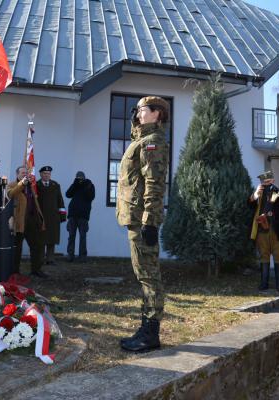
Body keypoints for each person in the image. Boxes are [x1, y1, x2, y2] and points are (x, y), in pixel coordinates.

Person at [116, 96, 170, 353]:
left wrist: (150, 221)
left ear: (157, 113)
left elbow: (154, 185)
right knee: (143, 275)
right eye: (136, 109)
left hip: (142, 219)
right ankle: (145, 327)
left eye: (142, 109)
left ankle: (151, 333)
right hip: (135, 217)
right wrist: (135, 125)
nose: (137, 113)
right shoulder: (141, 140)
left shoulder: (153, 143)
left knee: (149, 276)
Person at [249, 171, 279, 291]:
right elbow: (249, 205)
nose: (266, 184)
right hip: (262, 231)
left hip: (277, 231)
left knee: (278, 257)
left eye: (268, 181)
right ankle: (264, 284)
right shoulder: (259, 193)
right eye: (264, 182)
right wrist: (256, 195)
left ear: (273, 180)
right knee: (264, 257)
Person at [7, 166, 46, 278]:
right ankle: (15, 271)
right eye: (23, 172)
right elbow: (10, 194)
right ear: (17, 174)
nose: (25, 174)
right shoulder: (12, 184)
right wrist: (22, 184)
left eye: (26, 172)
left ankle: (36, 270)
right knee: (17, 247)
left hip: (32, 220)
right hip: (19, 221)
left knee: (36, 246)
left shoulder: (32, 186)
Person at [37, 166, 66, 265]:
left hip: (53, 216)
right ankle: (40, 259)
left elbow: (60, 200)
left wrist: (62, 215)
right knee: (41, 239)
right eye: (45, 173)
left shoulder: (55, 185)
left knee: (51, 239)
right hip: (40, 216)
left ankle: (50, 259)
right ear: (41, 174)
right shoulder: (36, 185)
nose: (47, 175)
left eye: (48, 173)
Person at [65, 171, 95, 262]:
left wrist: (85, 186)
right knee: (71, 236)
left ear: (84, 178)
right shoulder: (75, 185)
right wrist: (75, 184)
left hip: (83, 216)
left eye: (81, 178)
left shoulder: (90, 185)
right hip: (72, 215)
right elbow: (68, 194)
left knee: (83, 236)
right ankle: (70, 256)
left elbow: (91, 197)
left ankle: (82, 257)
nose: (80, 179)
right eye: (78, 178)